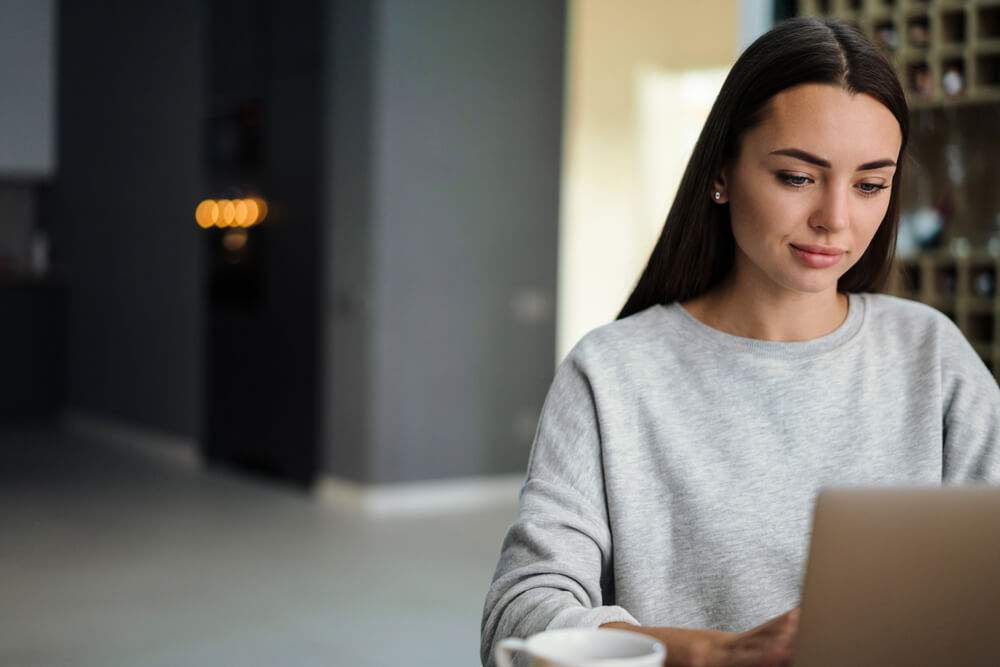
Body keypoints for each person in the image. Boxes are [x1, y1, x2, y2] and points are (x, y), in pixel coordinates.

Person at [481, 16, 1000, 667]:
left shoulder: (933, 356)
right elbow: (522, 613)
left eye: (870, 184)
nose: (836, 219)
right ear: (722, 172)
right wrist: (714, 652)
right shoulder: (612, 371)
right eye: (797, 177)